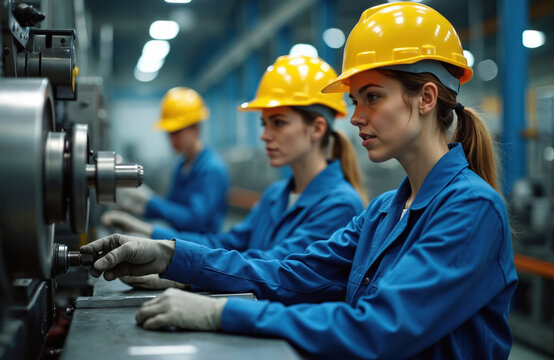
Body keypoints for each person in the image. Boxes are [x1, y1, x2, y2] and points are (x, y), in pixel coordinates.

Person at [81, 3, 517, 359]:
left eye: (372, 97)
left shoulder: (471, 209)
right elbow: (289, 272)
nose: (355, 116)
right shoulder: (384, 211)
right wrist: (169, 255)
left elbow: (379, 329)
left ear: (426, 98)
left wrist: (221, 313)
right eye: (353, 100)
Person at [104, 55, 366, 264]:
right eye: (264, 124)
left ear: (317, 129)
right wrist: (153, 237)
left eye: (278, 123)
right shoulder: (276, 194)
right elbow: (227, 243)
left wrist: (181, 267)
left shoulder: (339, 205)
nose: (264, 136)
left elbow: (275, 266)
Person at [105, 87, 230, 234]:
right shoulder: (181, 165)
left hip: (203, 250)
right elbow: (172, 211)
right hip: (179, 243)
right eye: (169, 133)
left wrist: (149, 202)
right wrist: (137, 208)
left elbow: (195, 220)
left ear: (195, 128)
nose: (172, 140)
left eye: (176, 132)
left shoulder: (212, 170)